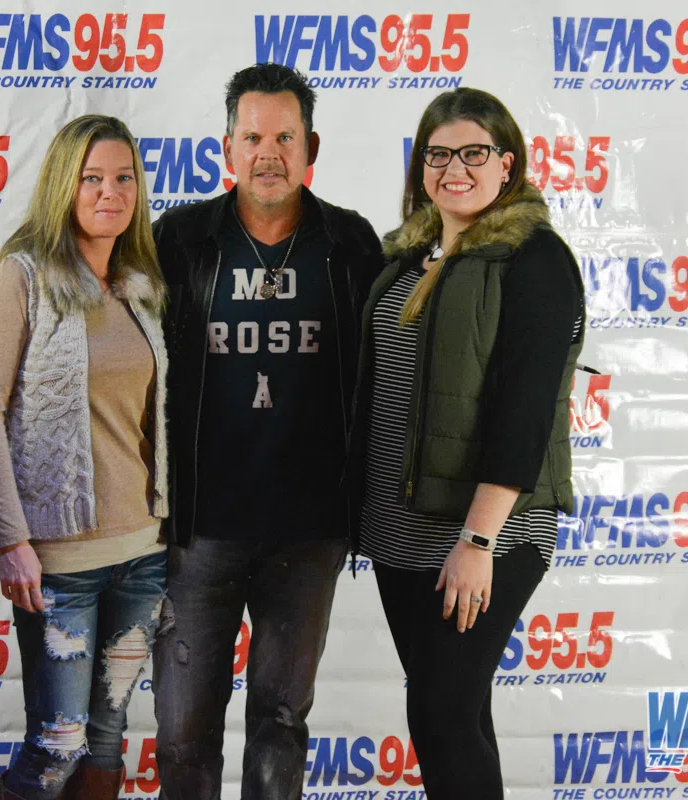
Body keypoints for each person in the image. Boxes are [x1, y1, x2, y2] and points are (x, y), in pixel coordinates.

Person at [150, 63, 384, 800]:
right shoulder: (180, 239)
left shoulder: (349, 243)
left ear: (311, 147)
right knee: (183, 730)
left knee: (281, 723)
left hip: (308, 534)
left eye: (285, 137)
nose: (268, 154)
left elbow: (385, 374)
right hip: (198, 530)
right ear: (227, 149)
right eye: (252, 138)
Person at [350, 88, 586, 798]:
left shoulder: (534, 260)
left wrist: (478, 541)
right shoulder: (406, 256)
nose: (455, 169)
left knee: (442, 714)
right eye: (439, 154)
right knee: (454, 712)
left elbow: (524, 412)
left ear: (507, 163)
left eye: (473, 153)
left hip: (486, 532)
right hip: (400, 528)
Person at [0, 114, 170, 800]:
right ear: (64, 185)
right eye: (91, 178)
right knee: (57, 745)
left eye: (124, 178)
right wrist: (12, 541)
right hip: (60, 564)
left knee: (107, 743)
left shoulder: (139, 286)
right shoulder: (22, 278)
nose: (110, 192)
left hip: (143, 556)